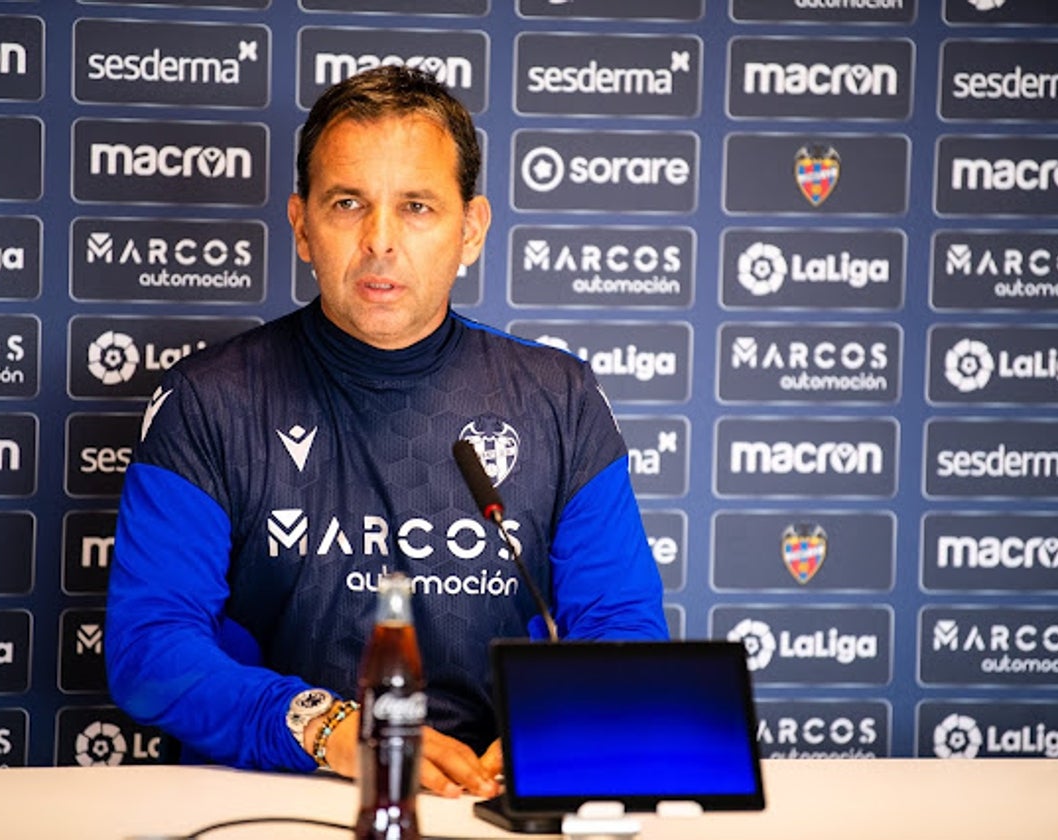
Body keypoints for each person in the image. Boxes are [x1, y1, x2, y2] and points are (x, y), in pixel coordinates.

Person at [105, 65, 669, 799]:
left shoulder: (556, 398)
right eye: (347, 203)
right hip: (274, 791)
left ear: (470, 230)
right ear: (302, 226)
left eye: (416, 207)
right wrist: (327, 729)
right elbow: (149, 650)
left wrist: (557, 729)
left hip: (488, 794)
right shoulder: (207, 400)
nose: (379, 240)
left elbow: (619, 624)